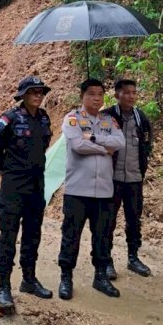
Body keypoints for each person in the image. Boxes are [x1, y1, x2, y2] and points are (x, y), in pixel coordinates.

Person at [0, 75, 54, 311]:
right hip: (13, 186)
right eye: (33, 92)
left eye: (41, 92)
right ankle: (3, 286)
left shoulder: (44, 118)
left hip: (37, 185)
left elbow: (44, 145)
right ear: (23, 95)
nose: (38, 96)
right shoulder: (10, 118)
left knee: (32, 234)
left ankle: (29, 279)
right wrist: (5, 169)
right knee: (8, 236)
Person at [58, 79, 125, 300]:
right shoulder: (72, 119)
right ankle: (66, 277)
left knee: (103, 236)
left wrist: (94, 139)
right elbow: (78, 145)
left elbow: (120, 142)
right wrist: (104, 149)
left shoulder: (109, 120)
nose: (96, 98)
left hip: (104, 191)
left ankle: (100, 277)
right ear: (82, 96)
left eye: (100, 94)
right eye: (91, 94)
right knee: (71, 235)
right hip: (77, 190)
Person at [103, 78, 154, 278]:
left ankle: (133, 257)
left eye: (134, 92)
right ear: (117, 95)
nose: (131, 96)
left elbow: (147, 144)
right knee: (108, 220)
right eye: (126, 92)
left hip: (134, 178)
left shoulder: (141, 118)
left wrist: (143, 167)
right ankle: (106, 260)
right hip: (111, 179)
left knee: (134, 219)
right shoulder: (107, 116)